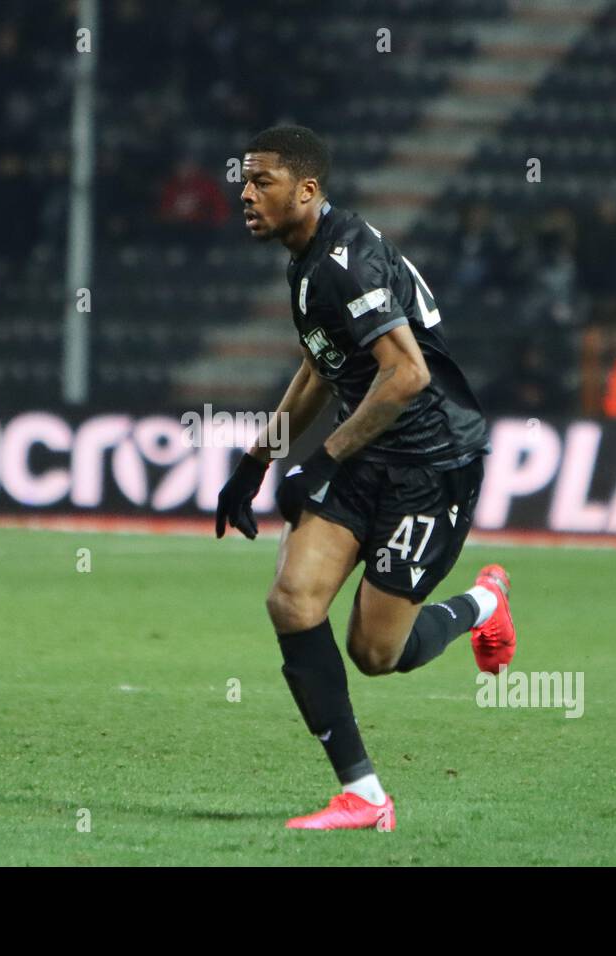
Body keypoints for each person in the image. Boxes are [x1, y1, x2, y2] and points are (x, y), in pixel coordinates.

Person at [214, 126, 516, 831]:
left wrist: (320, 460)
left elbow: (406, 374)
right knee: (293, 601)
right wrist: (256, 461)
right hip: (370, 452)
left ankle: (482, 604)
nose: (245, 193)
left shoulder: (345, 263)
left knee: (377, 653)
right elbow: (323, 364)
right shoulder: (307, 259)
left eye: (262, 181)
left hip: (432, 464)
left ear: (307, 190)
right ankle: (364, 794)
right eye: (244, 180)